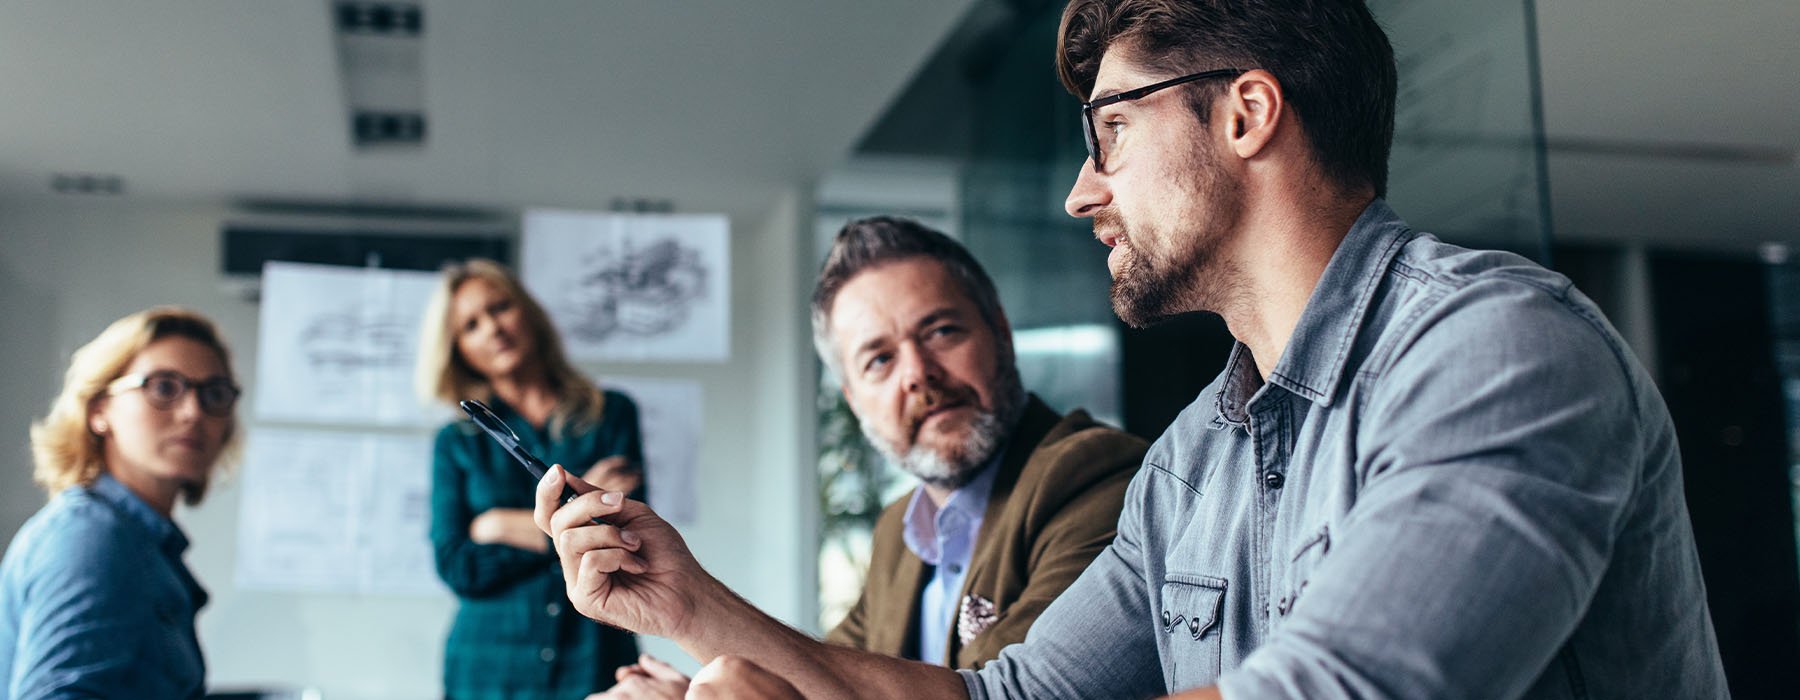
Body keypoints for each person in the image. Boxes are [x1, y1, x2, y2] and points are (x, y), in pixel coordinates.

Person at [532, 1, 1731, 698]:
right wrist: (690, 608)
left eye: (1111, 133)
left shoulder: (1497, 350)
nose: (1079, 192)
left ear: (1247, 113)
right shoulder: (1196, 461)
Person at [604, 218, 1147, 698]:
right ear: (851, 398)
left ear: (1000, 331)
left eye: (940, 331)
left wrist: (690, 605)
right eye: (879, 359)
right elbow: (821, 679)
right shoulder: (899, 530)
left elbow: (1005, 696)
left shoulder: (1095, 475)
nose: (917, 374)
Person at [417, 259, 646, 700]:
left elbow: (621, 534)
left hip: (594, 655)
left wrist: (497, 525)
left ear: (528, 312)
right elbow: (457, 564)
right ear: (457, 349)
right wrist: (570, 523)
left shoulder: (611, 413)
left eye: (500, 308)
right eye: (470, 325)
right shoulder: (456, 441)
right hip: (488, 668)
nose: (493, 329)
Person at [0, 307, 242, 699]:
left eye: (214, 394)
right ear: (99, 410)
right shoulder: (92, 539)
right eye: (164, 387)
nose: (193, 412)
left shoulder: (139, 544)